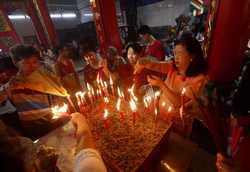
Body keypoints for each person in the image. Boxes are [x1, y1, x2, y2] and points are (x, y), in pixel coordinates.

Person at [135, 34, 208, 135]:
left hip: (179, 125)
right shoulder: (172, 68)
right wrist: (142, 62)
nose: (176, 57)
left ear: (192, 56)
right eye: (174, 53)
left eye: (180, 53)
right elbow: (156, 65)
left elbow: (179, 102)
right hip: (163, 119)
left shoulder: (198, 80)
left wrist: (161, 85)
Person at [0, 45, 69, 139]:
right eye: (26, 63)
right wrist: (7, 87)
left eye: (35, 62)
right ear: (16, 63)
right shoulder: (14, 84)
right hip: (33, 129)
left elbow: (56, 96)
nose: (32, 66)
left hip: (51, 122)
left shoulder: (43, 80)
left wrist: (59, 103)